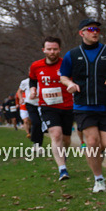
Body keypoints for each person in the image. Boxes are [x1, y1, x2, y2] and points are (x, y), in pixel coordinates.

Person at [58, 18, 106, 193]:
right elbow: (63, 75)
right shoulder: (72, 55)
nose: (95, 32)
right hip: (84, 105)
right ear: (82, 33)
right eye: (91, 29)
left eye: (97, 29)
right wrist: (69, 84)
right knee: (93, 141)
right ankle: (99, 179)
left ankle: (93, 156)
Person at [30, 36, 75, 180]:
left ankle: (63, 155)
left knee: (66, 140)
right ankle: (62, 169)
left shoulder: (67, 64)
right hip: (47, 106)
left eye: (55, 49)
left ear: (60, 49)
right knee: (56, 134)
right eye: (49, 49)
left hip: (67, 106)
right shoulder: (36, 66)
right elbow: (32, 79)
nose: (52, 52)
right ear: (44, 50)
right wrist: (32, 90)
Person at [18, 76, 44, 149]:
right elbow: (19, 91)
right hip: (30, 104)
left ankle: (38, 144)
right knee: (36, 122)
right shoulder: (25, 81)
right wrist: (20, 99)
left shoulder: (42, 80)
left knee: (41, 124)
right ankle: (33, 138)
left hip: (42, 104)